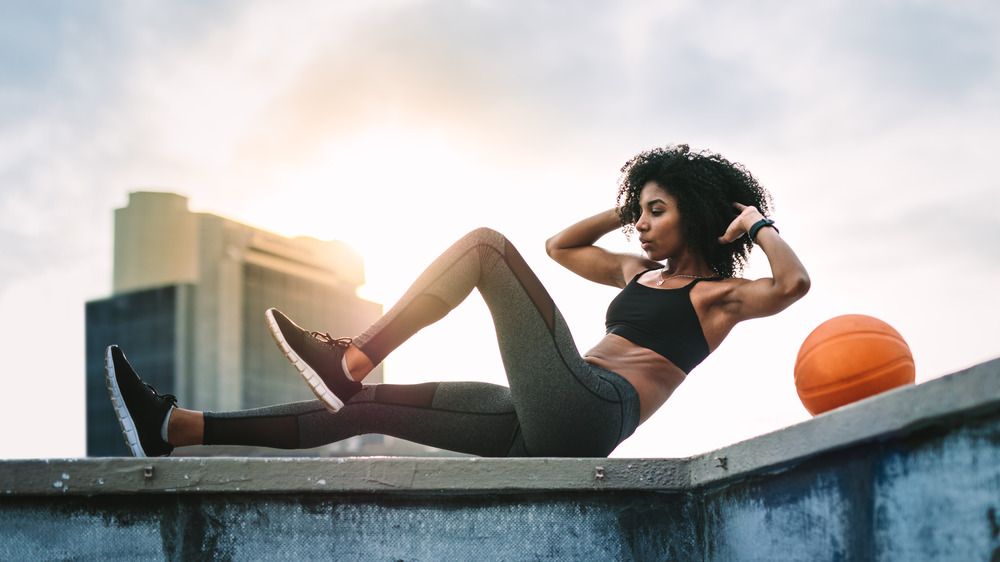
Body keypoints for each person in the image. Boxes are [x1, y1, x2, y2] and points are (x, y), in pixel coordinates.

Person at [105, 144, 810, 458]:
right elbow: (560, 247)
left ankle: (352, 354)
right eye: (644, 212)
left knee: (484, 248)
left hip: (596, 408)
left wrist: (758, 224)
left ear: (698, 211)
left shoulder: (719, 296)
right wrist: (626, 208)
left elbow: (792, 286)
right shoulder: (634, 272)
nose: (646, 223)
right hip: (546, 422)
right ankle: (178, 428)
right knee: (366, 407)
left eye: (659, 210)